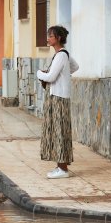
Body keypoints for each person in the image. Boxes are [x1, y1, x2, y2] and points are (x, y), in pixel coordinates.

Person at [36, 25, 78, 179]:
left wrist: (39, 73)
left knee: (59, 132)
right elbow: (75, 67)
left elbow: (51, 77)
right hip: (59, 96)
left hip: (58, 98)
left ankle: (63, 170)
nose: (48, 38)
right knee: (58, 131)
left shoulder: (61, 55)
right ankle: (60, 167)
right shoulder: (64, 55)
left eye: (51, 36)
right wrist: (64, 76)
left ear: (58, 38)